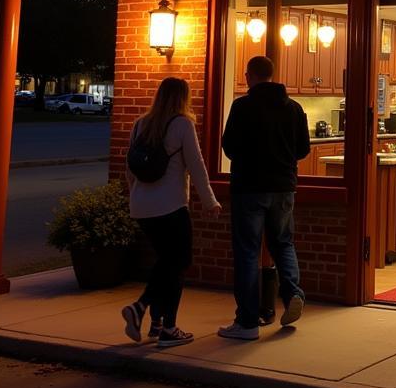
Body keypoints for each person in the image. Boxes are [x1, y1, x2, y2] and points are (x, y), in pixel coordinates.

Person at [121, 77, 221, 348]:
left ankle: (155, 322)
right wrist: (210, 201)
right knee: (178, 263)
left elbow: (129, 168)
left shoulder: (141, 124)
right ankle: (164, 324)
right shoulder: (182, 124)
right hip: (171, 206)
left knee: (165, 261)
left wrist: (135, 196)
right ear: (183, 98)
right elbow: (197, 166)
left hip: (142, 207)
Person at [218, 55, 310, 340]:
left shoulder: (242, 106)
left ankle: (247, 322)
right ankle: (293, 293)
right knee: (283, 243)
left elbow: (229, 145)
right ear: (272, 75)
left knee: (247, 251)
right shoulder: (294, 108)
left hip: (249, 187)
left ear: (249, 76)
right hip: (284, 187)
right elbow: (303, 148)